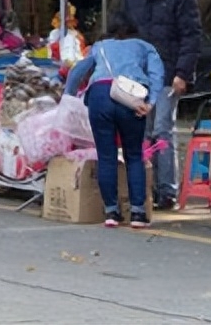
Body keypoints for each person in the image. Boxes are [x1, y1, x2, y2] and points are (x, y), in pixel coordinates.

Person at [121, 0, 203, 211]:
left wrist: (183, 73)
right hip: (137, 76)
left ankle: (166, 190)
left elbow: (191, 36)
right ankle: (146, 188)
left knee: (162, 131)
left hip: (168, 73)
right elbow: (120, 28)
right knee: (141, 132)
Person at [65, 14, 165, 228]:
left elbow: (77, 72)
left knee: (106, 155)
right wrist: (151, 101)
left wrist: (68, 97)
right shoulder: (145, 46)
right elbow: (158, 75)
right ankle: (138, 213)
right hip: (130, 98)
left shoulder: (100, 46)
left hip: (100, 95)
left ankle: (111, 212)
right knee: (134, 155)